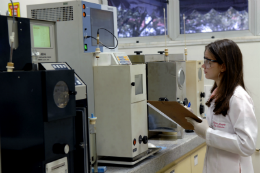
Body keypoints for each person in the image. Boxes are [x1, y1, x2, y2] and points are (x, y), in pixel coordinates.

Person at [186, 39, 258, 173]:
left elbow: (247, 145)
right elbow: (221, 129)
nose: (203, 66)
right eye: (204, 60)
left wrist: (208, 133)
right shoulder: (217, 95)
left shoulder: (238, 98)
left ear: (223, 66)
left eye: (208, 61)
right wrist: (197, 122)